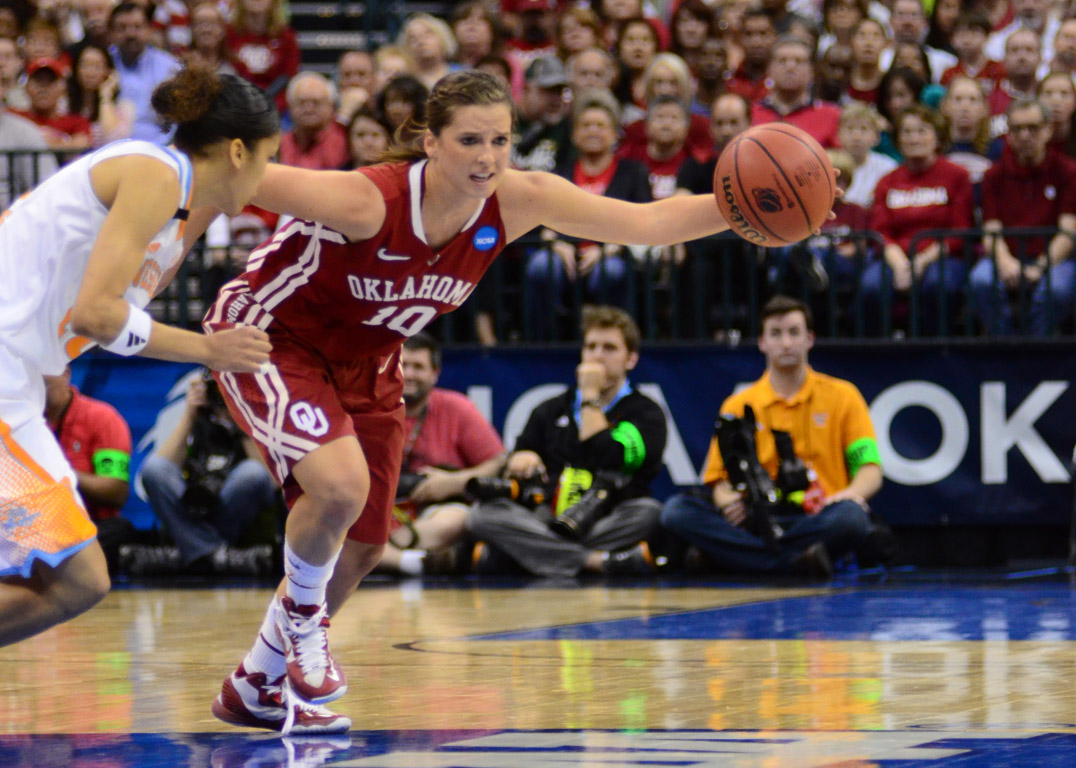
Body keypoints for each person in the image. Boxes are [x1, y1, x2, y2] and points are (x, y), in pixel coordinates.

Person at [202, 70, 753, 734]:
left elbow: (646, 221)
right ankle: (304, 631)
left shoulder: (516, 201)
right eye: (470, 140)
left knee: (365, 545)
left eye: (501, 140)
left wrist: (747, 210)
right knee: (339, 489)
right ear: (429, 142)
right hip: (268, 335)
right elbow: (234, 178)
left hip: (370, 360)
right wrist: (137, 216)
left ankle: (255, 683)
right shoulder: (366, 199)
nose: (488, 157)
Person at [0, 64, 278, 651]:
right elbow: (96, 316)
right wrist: (208, 349)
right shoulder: (155, 172)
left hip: (16, 378)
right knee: (78, 579)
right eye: (264, 158)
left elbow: (96, 317)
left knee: (76, 580)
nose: (266, 178)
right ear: (235, 151)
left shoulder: (178, 206)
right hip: (3, 376)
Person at [660, 295, 883, 578]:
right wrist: (728, 501)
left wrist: (850, 495)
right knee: (676, 511)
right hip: (758, 519)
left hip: (816, 518)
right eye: (776, 334)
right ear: (762, 342)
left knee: (852, 518)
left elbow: (870, 471)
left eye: (794, 332)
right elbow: (719, 482)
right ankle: (796, 562)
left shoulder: (843, 396)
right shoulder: (738, 404)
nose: (786, 343)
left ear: (810, 338)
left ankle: (736, 559)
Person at [467, 306, 667, 578]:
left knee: (650, 513)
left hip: (607, 515)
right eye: (591, 346)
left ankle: (522, 558)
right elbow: (520, 456)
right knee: (482, 514)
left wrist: (590, 396)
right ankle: (597, 562)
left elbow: (610, 456)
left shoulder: (646, 412)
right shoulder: (550, 409)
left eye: (609, 348)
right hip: (546, 516)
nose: (597, 356)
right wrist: (521, 459)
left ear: (630, 359)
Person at [123, 371, 278, 576]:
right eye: (218, 390)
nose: (223, 397)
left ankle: (191, 553)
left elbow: (274, 483)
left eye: (229, 391)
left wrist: (242, 423)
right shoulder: (193, 419)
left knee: (252, 473)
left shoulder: (261, 419)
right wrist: (189, 416)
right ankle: (214, 555)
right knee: (153, 468)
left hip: (235, 508)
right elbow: (159, 470)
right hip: (193, 503)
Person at [378, 333, 505, 576]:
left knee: (458, 519)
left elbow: (497, 461)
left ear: (435, 373)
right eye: (404, 365)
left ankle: (383, 554)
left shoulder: (457, 407)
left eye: (419, 367)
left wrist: (453, 483)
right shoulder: (369, 406)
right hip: (380, 506)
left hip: (435, 508)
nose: (411, 374)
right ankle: (414, 563)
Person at [863, 105, 974, 336]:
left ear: (937, 137)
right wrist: (901, 264)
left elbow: (960, 231)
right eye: (907, 132)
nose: (914, 138)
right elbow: (879, 232)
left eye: (922, 131)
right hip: (896, 257)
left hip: (942, 256)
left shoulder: (957, 176)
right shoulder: (887, 181)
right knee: (871, 286)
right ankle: (880, 354)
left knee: (938, 285)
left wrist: (922, 262)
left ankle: (935, 351)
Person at [970, 98, 1076, 335]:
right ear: (1008, 134)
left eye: (1033, 128)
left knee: (1056, 290)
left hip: (1053, 259)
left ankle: (1038, 353)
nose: (1025, 135)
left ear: (1049, 130)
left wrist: (1040, 267)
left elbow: (1068, 232)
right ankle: (1006, 349)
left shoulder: (1068, 171)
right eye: (1017, 129)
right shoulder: (993, 175)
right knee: (981, 281)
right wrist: (1006, 263)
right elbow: (991, 229)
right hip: (1006, 256)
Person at [43, 365, 136, 571]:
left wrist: (63, 473)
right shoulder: (15, 422)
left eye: (45, 382)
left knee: (119, 530)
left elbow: (116, 491)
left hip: (91, 524)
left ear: (65, 372)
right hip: (35, 524)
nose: (40, 388)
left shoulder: (104, 418)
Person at [751, 35, 841, 148]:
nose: (790, 67)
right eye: (782, 61)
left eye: (799, 61)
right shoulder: (752, 113)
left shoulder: (832, 115)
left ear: (812, 71)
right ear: (769, 69)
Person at [109, 2, 181, 144]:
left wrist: (158, 149)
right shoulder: (102, 62)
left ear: (149, 30)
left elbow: (175, 121)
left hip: (158, 150)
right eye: (122, 28)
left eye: (137, 27)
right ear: (111, 32)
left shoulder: (169, 67)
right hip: (108, 150)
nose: (130, 34)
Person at [279, 72, 349, 171]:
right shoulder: (280, 144)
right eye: (301, 103)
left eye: (316, 103)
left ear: (331, 106)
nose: (309, 109)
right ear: (290, 107)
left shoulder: (346, 140)